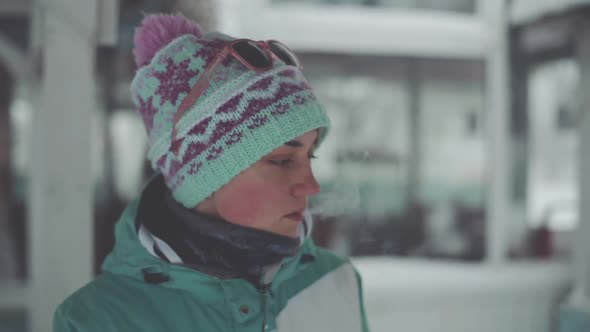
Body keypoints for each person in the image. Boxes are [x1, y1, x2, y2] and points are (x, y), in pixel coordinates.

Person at [53, 13, 370, 332]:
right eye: (283, 161)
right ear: (203, 178)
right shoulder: (96, 321)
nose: (311, 186)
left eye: (310, 157)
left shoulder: (335, 282)